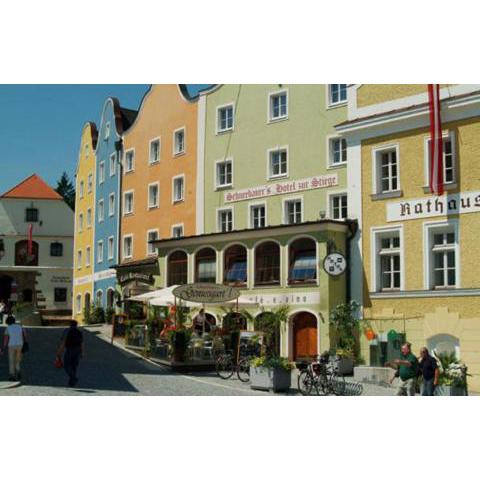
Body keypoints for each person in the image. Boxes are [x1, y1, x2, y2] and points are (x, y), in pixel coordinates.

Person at [57, 320, 84, 387]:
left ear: (70, 325)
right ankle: (72, 382)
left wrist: (59, 352)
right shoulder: (79, 332)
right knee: (74, 366)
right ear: (76, 325)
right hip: (77, 350)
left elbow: (63, 342)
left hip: (69, 350)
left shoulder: (66, 331)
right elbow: (82, 343)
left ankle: (73, 378)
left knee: (66, 365)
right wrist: (82, 352)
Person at [0, 315, 25, 381]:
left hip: (11, 345)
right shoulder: (20, 327)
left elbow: (6, 339)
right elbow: (24, 335)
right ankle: (18, 371)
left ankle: (12, 375)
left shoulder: (8, 328)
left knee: (11, 360)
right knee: (17, 360)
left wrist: (3, 348)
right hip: (20, 345)